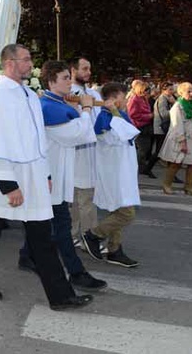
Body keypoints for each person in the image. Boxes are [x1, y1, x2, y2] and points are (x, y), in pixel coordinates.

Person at [0, 44, 92, 310]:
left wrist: (44, 173)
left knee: (42, 235)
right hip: (7, 178)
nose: (30, 64)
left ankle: (60, 296)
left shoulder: (29, 95)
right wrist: (8, 186)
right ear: (9, 63)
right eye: (26, 59)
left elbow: (36, 139)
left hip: (32, 177)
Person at [19, 61, 107, 291]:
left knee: (43, 221)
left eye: (70, 77)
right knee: (60, 225)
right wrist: (86, 108)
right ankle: (76, 272)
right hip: (51, 175)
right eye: (65, 78)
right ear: (50, 82)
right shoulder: (49, 107)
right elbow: (78, 134)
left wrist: (80, 110)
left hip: (56, 172)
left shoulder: (57, 103)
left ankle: (27, 256)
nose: (70, 81)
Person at [82, 82, 141, 268]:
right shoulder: (105, 118)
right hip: (115, 174)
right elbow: (125, 134)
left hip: (124, 171)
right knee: (126, 214)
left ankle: (115, 250)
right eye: (124, 96)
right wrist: (114, 113)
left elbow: (129, 133)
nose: (126, 100)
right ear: (114, 98)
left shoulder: (118, 115)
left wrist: (117, 113)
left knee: (118, 210)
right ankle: (93, 235)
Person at [68, 57, 102, 249]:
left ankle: (75, 235)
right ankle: (90, 237)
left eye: (90, 68)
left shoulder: (92, 92)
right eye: (84, 68)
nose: (89, 72)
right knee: (83, 199)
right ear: (73, 70)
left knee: (81, 199)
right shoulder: (70, 94)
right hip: (78, 153)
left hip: (92, 153)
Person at [158, 82, 192, 196]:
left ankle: (189, 187)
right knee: (175, 163)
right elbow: (177, 125)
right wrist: (182, 141)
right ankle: (166, 185)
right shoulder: (178, 106)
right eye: (189, 91)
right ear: (181, 93)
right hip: (180, 139)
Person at [128, 80, 156, 178]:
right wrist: (149, 116)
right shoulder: (135, 99)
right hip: (139, 126)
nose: (147, 92)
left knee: (145, 148)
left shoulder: (143, 99)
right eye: (145, 90)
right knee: (142, 149)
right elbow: (132, 114)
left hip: (145, 125)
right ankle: (138, 166)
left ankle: (140, 166)